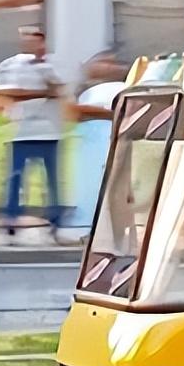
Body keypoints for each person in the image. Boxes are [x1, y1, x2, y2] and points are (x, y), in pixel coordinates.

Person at [0, 25, 64, 240]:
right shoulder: (10, 65)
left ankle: (55, 218)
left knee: (51, 179)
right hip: (21, 129)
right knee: (16, 177)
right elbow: (9, 94)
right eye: (27, 38)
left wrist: (46, 77)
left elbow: (60, 90)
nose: (31, 43)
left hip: (48, 130)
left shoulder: (54, 63)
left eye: (36, 38)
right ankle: (11, 217)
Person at [63, 50, 129, 231]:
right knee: (90, 183)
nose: (108, 66)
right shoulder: (85, 90)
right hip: (91, 141)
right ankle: (90, 223)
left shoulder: (122, 87)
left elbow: (123, 113)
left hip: (112, 139)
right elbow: (72, 113)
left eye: (112, 63)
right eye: (103, 62)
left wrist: (93, 111)